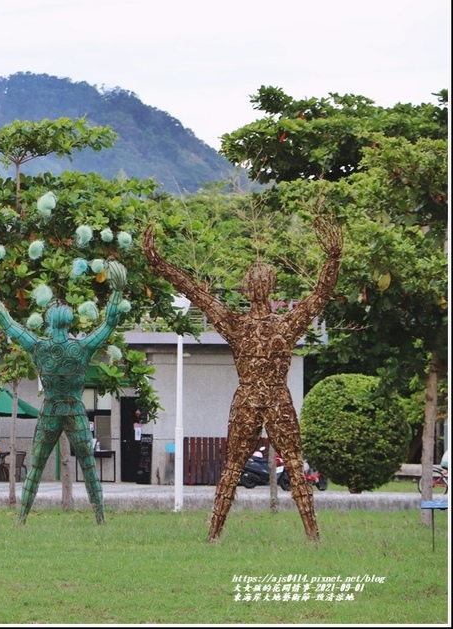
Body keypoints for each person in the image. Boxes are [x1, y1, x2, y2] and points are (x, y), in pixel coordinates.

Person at [142, 216, 343, 543]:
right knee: (287, 464)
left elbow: (194, 292)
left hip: (253, 398)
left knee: (237, 466)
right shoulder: (283, 325)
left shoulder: (238, 325)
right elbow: (320, 293)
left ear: (247, 288)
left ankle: (215, 534)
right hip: (273, 398)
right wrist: (333, 258)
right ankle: (311, 535)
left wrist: (159, 262)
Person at [0, 259, 129, 525]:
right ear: (70, 320)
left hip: (51, 409)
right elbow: (109, 323)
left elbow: (7, 323)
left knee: (36, 466)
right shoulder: (82, 347)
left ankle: (22, 518)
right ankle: (100, 517)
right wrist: (117, 291)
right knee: (88, 466)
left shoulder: (39, 346)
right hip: (75, 409)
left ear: (47, 320)